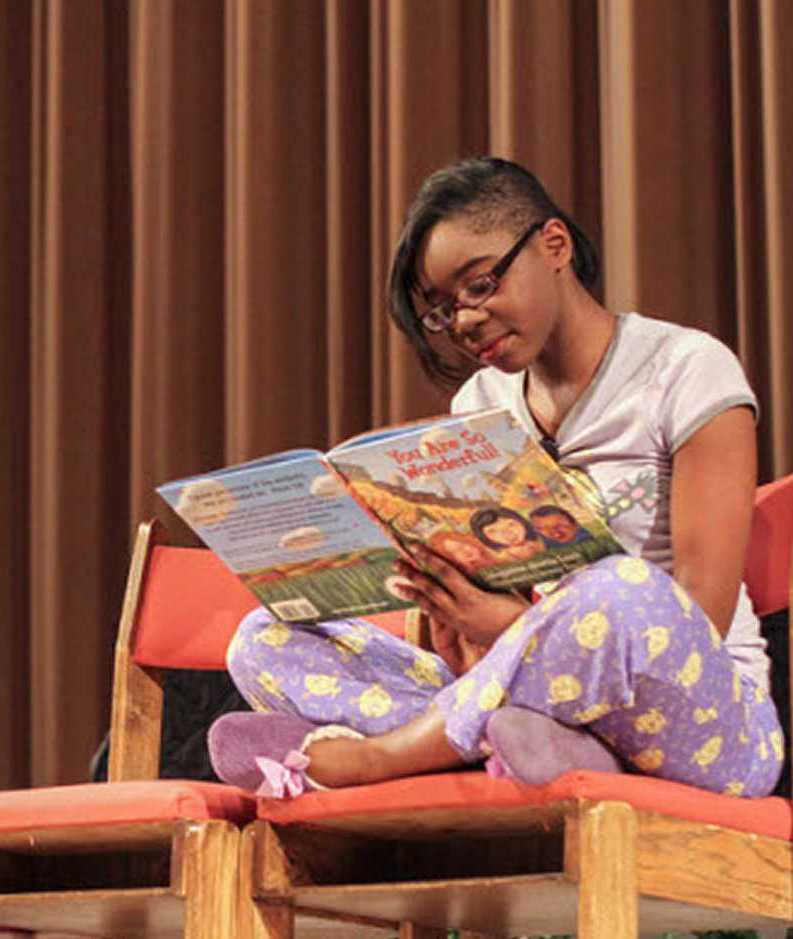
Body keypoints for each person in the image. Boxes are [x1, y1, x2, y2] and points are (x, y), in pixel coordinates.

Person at [209, 156, 782, 801]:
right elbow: (476, 639)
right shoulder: (481, 405)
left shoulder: (687, 368)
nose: (464, 322)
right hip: (526, 698)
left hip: (710, 724)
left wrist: (515, 626)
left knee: (623, 589)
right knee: (261, 639)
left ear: (554, 245)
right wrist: (458, 622)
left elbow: (699, 616)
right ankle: (551, 750)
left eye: (479, 286)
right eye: (442, 310)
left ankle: (387, 756)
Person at [467, 506, 544, 561]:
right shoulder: (501, 560)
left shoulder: (543, 540)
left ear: (521, 521)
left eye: (511, 525)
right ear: (484, 537)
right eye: (493, 532)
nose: (507, 533)